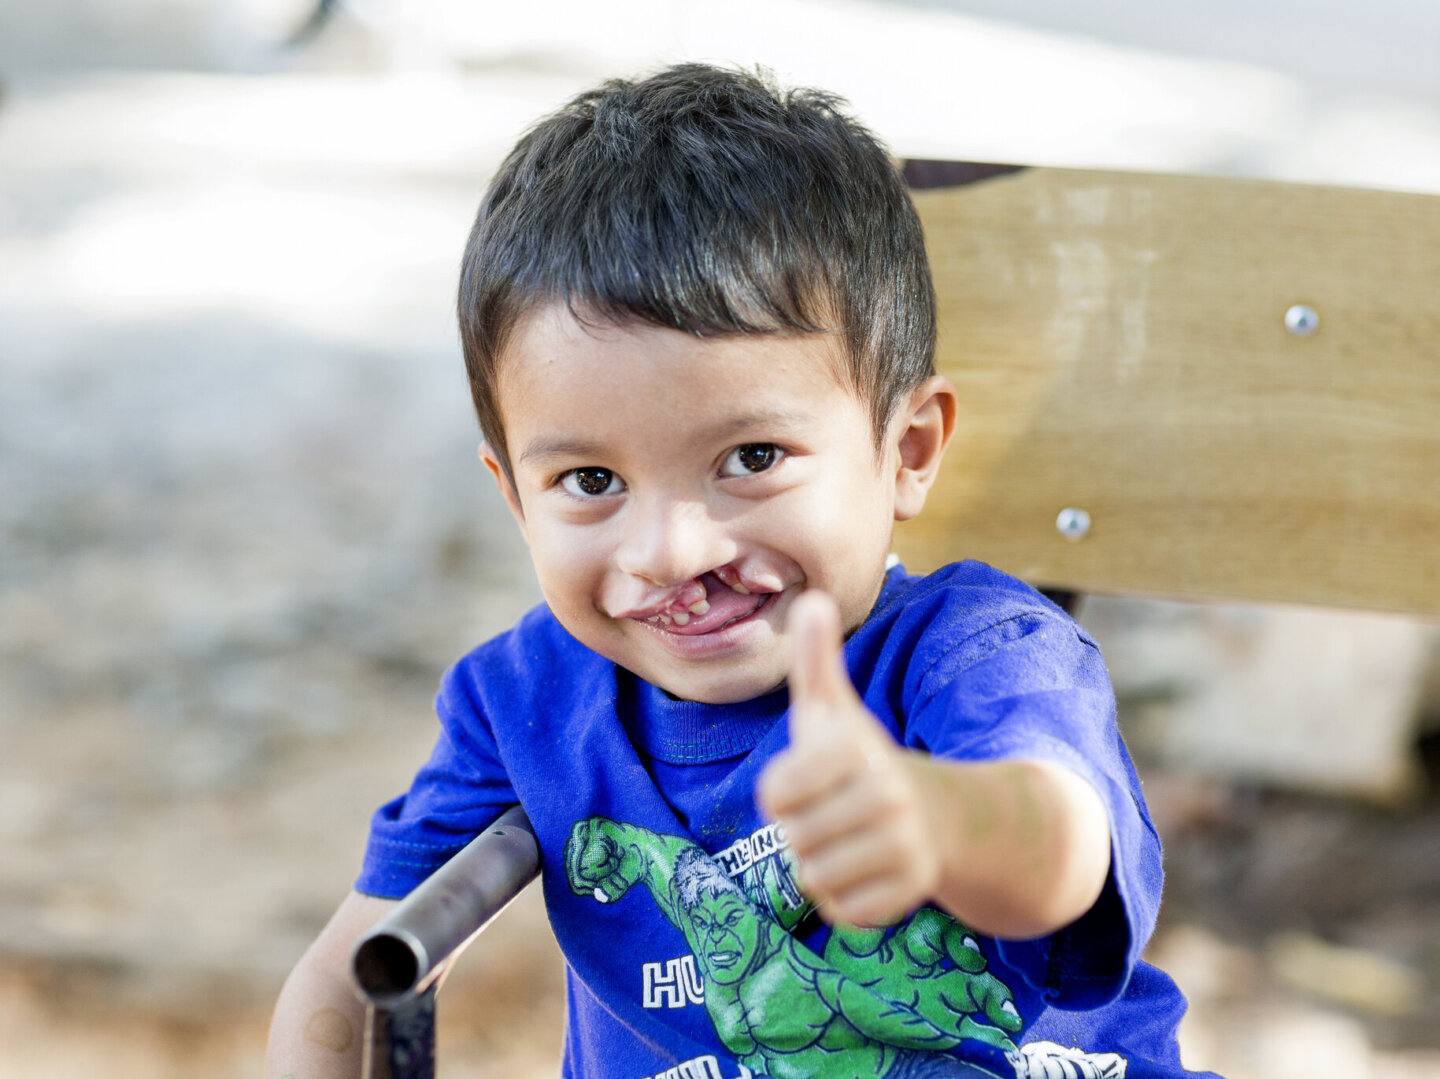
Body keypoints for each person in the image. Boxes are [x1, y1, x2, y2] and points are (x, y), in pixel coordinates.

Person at [267, 63, 1218, 1079]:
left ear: (907, 450)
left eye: (752, 458)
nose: (673, 552)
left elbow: (1056, 851)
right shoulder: (525, 701)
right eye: (591, 478)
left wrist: (939, 817)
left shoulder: (976, 653)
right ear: (515, 496)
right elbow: (345, 981)